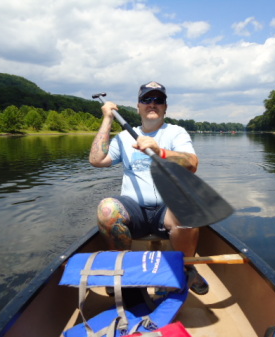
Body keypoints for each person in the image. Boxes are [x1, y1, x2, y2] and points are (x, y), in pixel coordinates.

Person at [89, 81, 208, 295]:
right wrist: (107, 119)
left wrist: (160, 151)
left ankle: (185, 268)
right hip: (134, 212)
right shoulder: (125, 137)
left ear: (165, 107)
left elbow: (192, 164)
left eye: (158, 100)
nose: (152, 104)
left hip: (167, 212)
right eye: (147, 99)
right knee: (107, 209)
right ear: (138, 106)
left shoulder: (175, 133)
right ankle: (122, 272)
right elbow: (97, 160)